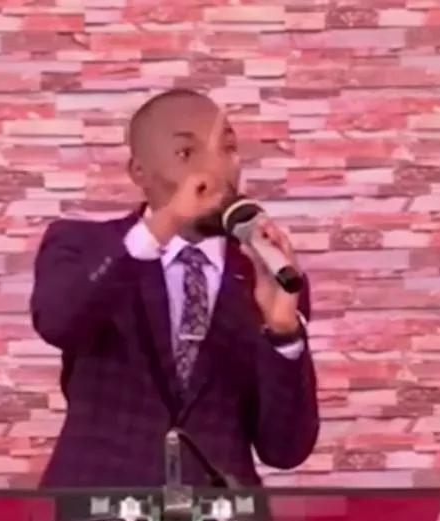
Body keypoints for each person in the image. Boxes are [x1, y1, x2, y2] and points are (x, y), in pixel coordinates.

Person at [29, 89, 320, 491]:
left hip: (219, 519)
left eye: (227, 149)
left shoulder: (266, 274)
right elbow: (59, 321)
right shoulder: (83, 245)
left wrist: (284, 334)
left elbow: (285, 449)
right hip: (94, 509)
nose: (214, 169)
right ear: (139, 172)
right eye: (187, 153)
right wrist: (161, 228)